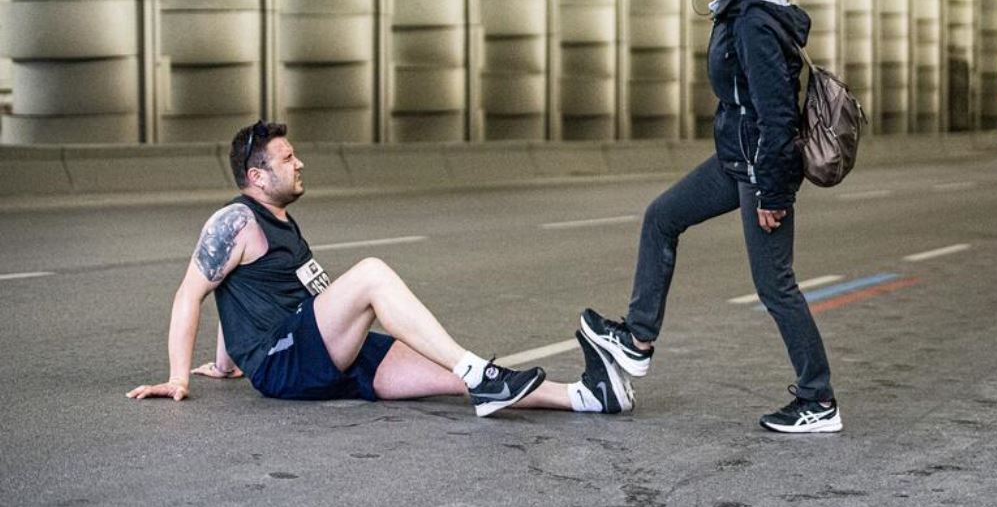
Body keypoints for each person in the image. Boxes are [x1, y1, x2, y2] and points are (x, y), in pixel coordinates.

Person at [128, 121, 633, 418]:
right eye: (287, 158)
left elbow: (237, 292)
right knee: (370, 273)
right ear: (256, 176)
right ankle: (476, 370)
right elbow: (191, 293)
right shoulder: (234, 220)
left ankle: (586, 397)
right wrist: (178, 377)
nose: (299, 162)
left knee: (453, 375)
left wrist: (223, 363)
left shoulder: (280, 221)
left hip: (321, 351)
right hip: (288, 360)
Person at [580, 0, 841, 434]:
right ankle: (636, 341)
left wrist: (773, 191)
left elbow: (777, 114)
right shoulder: (739, 8)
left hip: (758, 169)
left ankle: (819, 400)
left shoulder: (753, 20)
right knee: (662, 217)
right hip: (734, 160)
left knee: (776, 286)